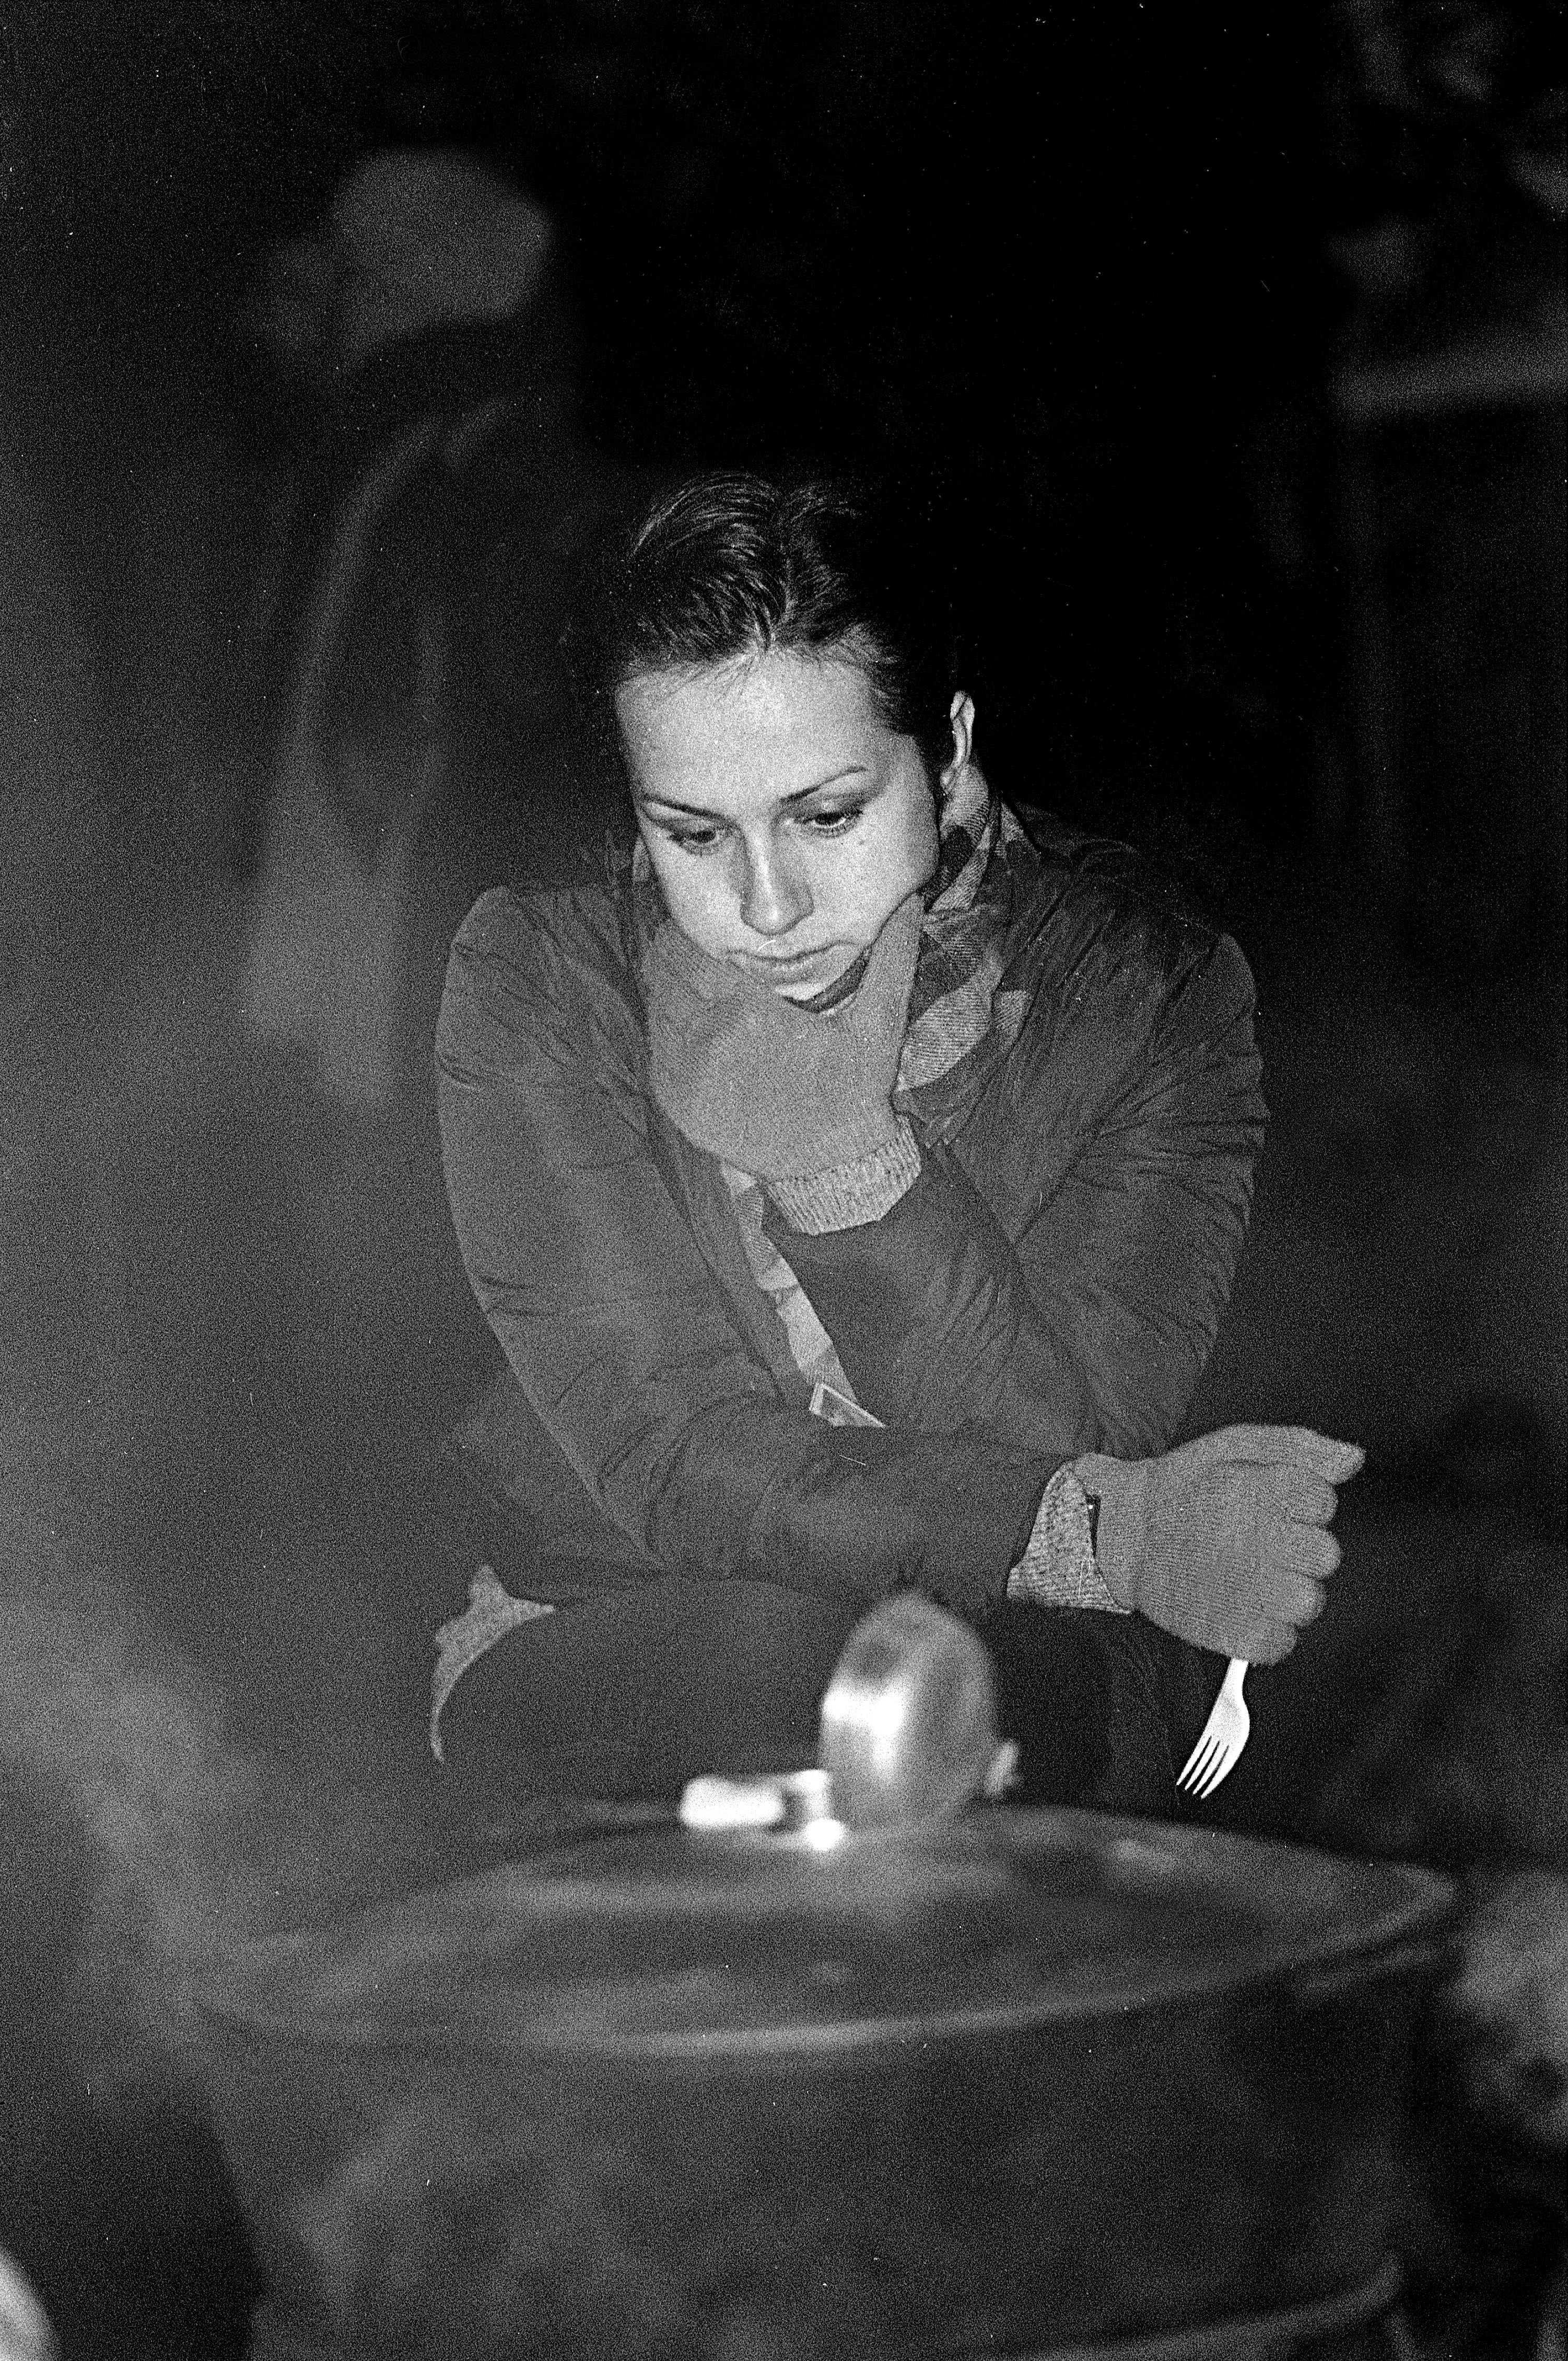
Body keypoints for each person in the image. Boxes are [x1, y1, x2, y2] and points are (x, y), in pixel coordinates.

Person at [431, 471, 1363, 1810]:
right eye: (692, 834)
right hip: (613, 1615)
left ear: (947, 748)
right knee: (797, 1680)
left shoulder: (1144, 996)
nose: (766, 905)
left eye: (826, 815)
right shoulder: (543, 977)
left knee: (958, 1698)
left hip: (1012, 1641)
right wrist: (1103, 1532)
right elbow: (673, 1461)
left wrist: (853, 1180)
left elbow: (1067, 1441)